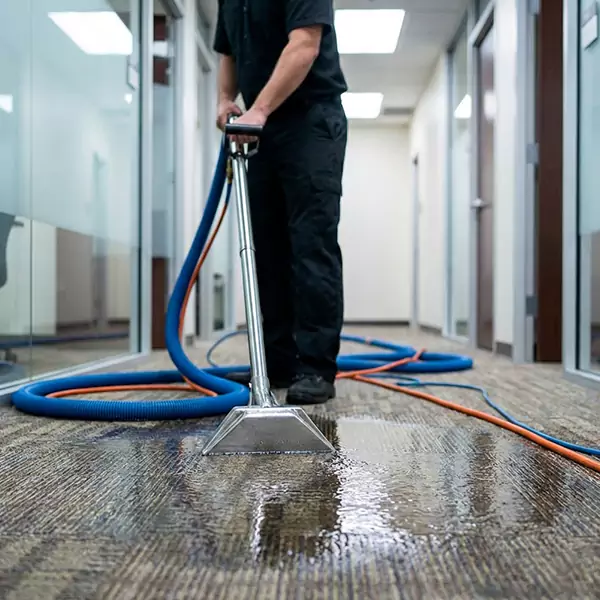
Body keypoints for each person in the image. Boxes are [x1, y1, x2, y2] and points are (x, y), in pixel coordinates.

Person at [214, 0, 348, 405]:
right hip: (260, 127)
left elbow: (305, 44)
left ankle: (315, 368)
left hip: (310, 119)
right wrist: (224, 98)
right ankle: (274, 363)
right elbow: (229, 51)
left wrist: (259, 109)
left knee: (310, 243)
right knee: (264, 248)